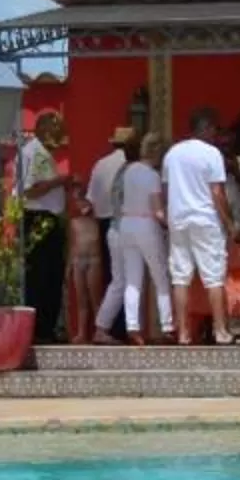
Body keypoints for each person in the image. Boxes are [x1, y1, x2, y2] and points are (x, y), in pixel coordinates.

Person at [160, 106, 240, 346]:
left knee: (180, 277)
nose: (216, 134)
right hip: (205, 219)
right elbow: (217, 191)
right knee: (214, 276)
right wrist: (229, 222)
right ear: (205, 128)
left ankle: (183, 333)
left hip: (179, 219)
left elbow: (165, 190)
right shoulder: (211, 153)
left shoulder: (172, 154)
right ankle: (220, 330)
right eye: (214, 129)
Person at [108, 132, 173, 343]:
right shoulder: (152, 176)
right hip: (146, 224)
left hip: (126, 223)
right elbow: (158, 210)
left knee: (132, 279)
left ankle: (132, 326)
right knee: (160, 276)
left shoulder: (129, 171)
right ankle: (167, 324)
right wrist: (170, 224)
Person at [15, 109, 71, 338]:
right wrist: (59, 181)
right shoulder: (33, 153)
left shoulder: (41, 153)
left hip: (47, 219)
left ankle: (46, 327)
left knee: (51, 275)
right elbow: (29, 191)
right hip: (38, 219)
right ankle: (39, 329)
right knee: (40, 276)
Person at [84, 124, 136, 342]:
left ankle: (110, 326)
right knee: (129, 277)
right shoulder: (133, 167)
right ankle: (124, 326)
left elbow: (91, 199)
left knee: (111, 277)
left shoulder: (100, 165)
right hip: (127, 222)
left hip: (105, 223)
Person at [65, 176, 107, 343]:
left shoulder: (93, 215)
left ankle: (100, 330)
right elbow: (71, 243)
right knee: (82, 300)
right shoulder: (72, 220)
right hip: (78, 260)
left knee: (95, 298)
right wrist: (69, 266)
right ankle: (82, 332)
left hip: (93, 259)